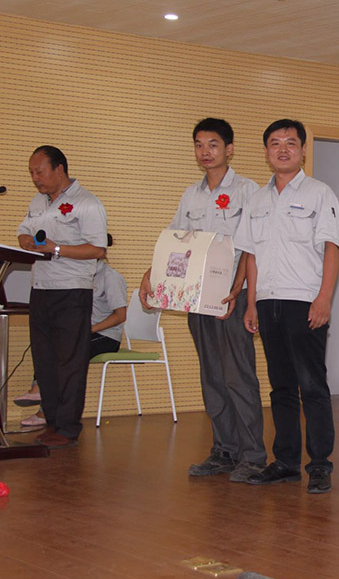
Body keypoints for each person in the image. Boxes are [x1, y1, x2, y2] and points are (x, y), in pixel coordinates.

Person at [138, 117, 265, 481]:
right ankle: (223, 451)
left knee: (238, 376)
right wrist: (151, 276)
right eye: (198, 145)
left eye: (213, 144)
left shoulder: (248, 191)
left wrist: (237, 291)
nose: (205, 152)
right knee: (212, 377)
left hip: (233, 298)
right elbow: (176, 241)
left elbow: (251, 248)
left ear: (229, 149)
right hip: (197, 300)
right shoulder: (191, 195)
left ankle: (253, 456)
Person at [236, 119, 339, 494]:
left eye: (290, 143)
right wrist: (251, 303)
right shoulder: (256, 200)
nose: (282, 149)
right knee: (281, 387)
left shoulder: (319, 194)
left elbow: (331, 249)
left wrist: (324, 298)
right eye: (275, 143)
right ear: (266, 151)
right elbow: (251, 255)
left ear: (302, 150)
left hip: (305, 302)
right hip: (268, 303)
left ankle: (320, 465)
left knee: (312, 385)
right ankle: (285, 462)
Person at [18, 145, 108, 448]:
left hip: (71, 291)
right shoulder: (37, 201)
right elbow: (23, 230)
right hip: (41, 289)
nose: (35, 178)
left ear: (59, 169)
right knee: (44, 361)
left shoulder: (87, 203)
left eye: (39, 171)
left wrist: (55, 249)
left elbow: (97, 249)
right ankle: (52, 422)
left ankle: (68, 428)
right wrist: (25, 240)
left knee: (69, 363)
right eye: (31, 172)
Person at [19, 242, 128, 427]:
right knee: (49, 347)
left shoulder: (110, 277)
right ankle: (41, 394)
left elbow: (120, 316)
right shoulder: (77, 276)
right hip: (82, 331)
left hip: (105, 336)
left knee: (66, 354)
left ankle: (44, 404)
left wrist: (90, 329)